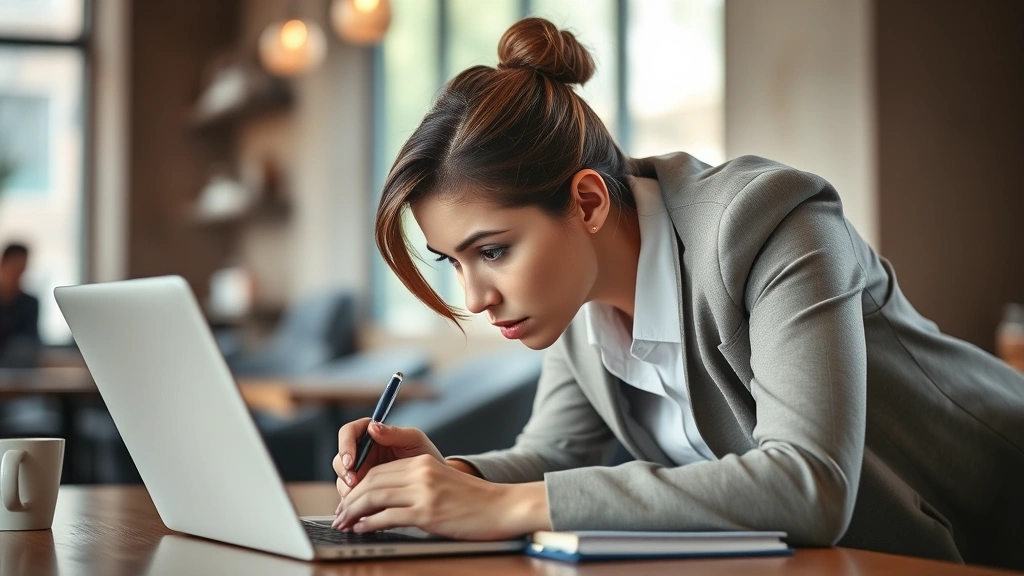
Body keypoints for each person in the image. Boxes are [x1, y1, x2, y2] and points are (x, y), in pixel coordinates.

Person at [331, 17, 1024, 568]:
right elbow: (557, 458)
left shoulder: (775, 228)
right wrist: (445, 477)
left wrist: (504, 509)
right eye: (453, 261)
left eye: (492, 251)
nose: (476, 296)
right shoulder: (573, 304)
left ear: (587, 202)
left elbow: (808, 485)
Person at [0, 242, 41, 366]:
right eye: (13, 269)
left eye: (20, 270)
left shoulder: (30, 303)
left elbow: (31, 340)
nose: (16, 276)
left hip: (19, 368)